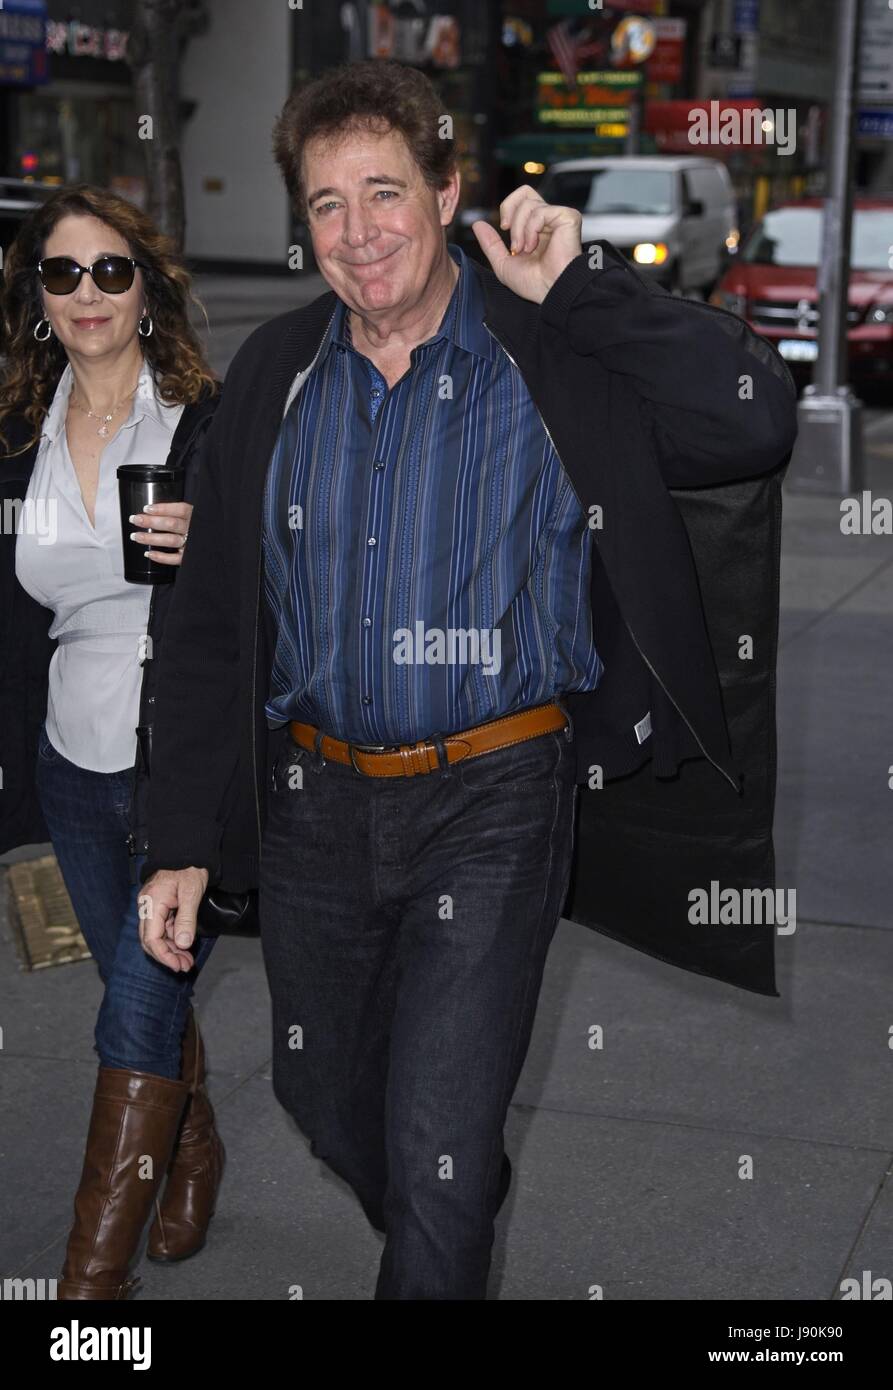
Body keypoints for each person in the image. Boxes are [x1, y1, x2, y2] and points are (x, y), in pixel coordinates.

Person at [138, 60, 798, 1300]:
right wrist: (181, 838)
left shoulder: (543, 354)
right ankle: (442, 1191)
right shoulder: (274, 377)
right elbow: (213, 629)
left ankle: (441, 1200)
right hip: (313, 803)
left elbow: (755, 414)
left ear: (447, 194)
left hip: (497, 797)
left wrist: (582, 289)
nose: (356, 231)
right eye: (325, 204)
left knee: (433, 1161)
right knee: (325, 1098)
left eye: (383, 191)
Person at [0, 185, 223, 1300]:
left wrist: (213, 537)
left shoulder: (205, 419)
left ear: (147, 286)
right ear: (36, 297)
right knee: (145, 996)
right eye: (60, 272)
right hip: (70, 765)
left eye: (109, 269)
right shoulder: (15, 434)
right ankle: (190, 1151)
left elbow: (286, 585)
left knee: (136, 1002)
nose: (85, 293)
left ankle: (90, 1284)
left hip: (183, 764)